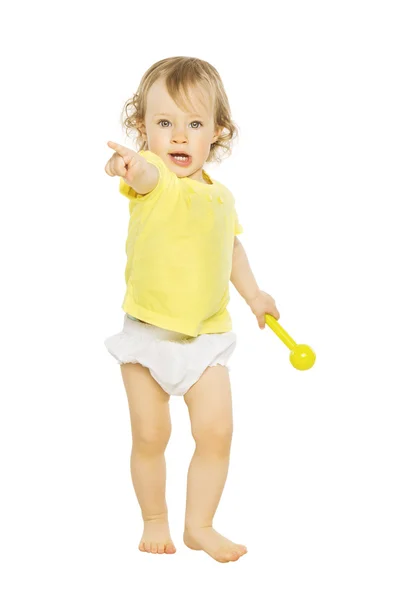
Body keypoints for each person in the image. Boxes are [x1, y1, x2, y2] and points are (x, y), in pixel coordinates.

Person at [104, 56, 280, 563]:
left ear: (217, 132)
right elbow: (136, 175)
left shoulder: (221, 198)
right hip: (148, 335)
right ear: (144, 130)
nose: (179, 137)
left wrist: (255, 296)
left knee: (217, 432)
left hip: (205, 337)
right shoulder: (154, 175)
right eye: (165, 124)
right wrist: (127, 164)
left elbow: (230, 250)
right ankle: (154, 519)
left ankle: (200, 524)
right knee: (151, 434)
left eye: (194, 124)